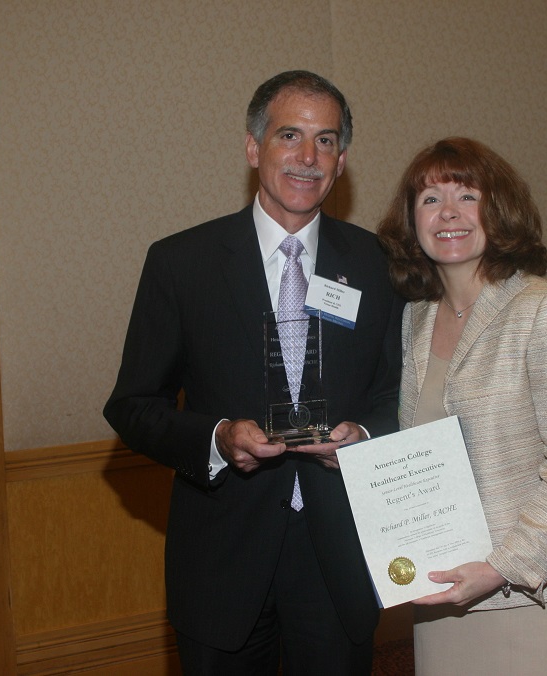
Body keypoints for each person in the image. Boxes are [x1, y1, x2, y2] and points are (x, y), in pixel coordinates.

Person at [104, 70, 402, 675]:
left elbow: (397, 392)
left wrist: (364, 438)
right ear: (253, 147)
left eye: (325, 141)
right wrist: (215, 439)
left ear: (342, 160)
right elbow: (133, 406)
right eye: (289, 135)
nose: (306, 157)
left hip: (337, 556)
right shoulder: (181, 263)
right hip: (222, 557)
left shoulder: (377, 264)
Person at [376, 137, 547, 675]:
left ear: (498, 209)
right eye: (430, 199)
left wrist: (502, 567)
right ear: (412, 220)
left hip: (538, 593)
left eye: (467, 195)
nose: (449, 214)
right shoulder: (416, 317)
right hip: (446, 593)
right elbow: (420, 449)